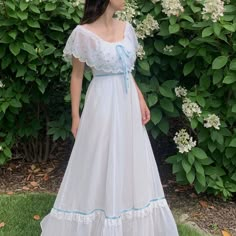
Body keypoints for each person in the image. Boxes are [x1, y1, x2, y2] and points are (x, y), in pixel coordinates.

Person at [40, 0, 179, 235]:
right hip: (101, 104)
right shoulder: (82, 34)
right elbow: (77, 77)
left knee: (129, 158)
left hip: (127, 105)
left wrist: (141, 98)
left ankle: (129, 218)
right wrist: (75, 116)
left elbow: (127, 70)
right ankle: (96, 215)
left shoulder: (127, 28)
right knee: (98, 157)